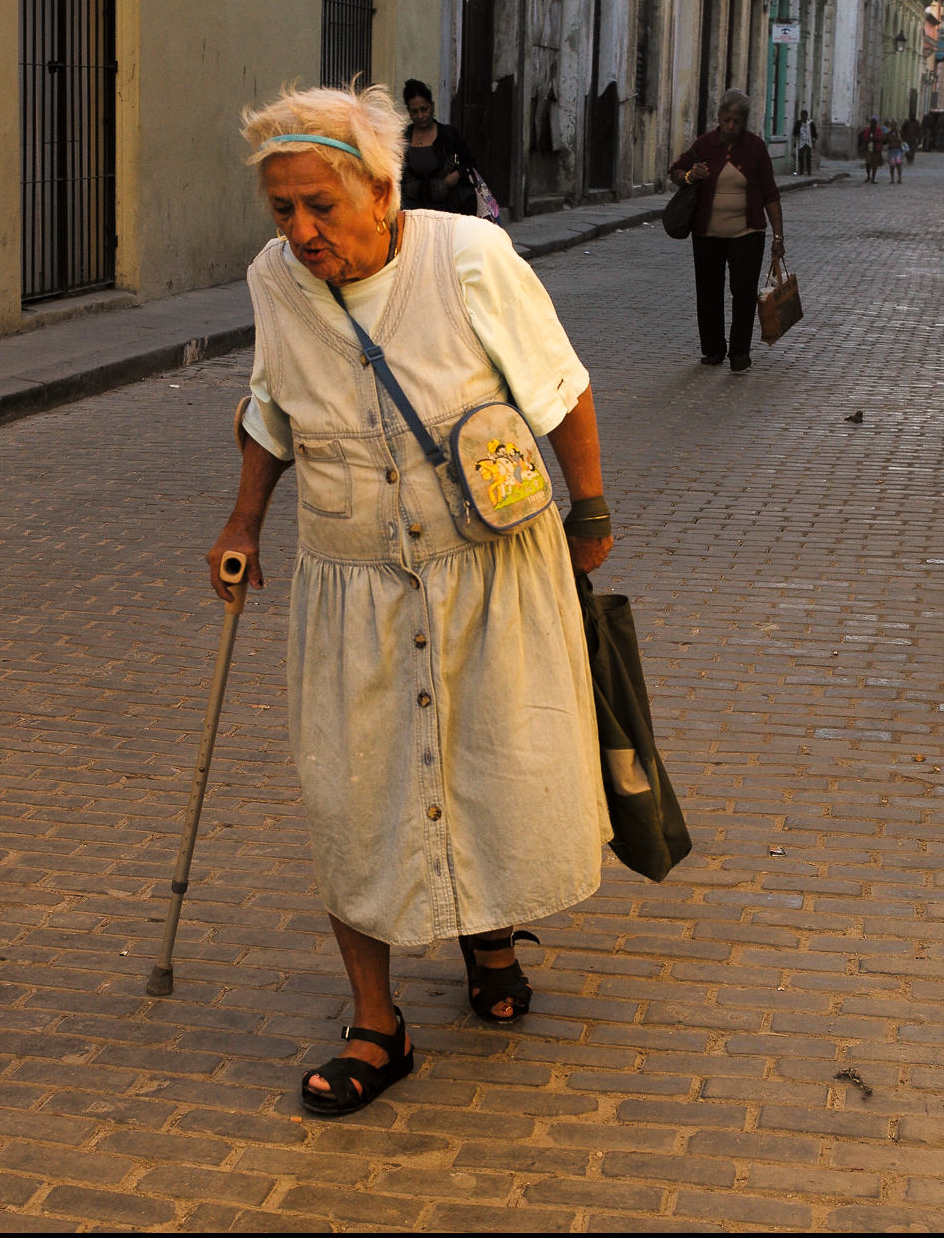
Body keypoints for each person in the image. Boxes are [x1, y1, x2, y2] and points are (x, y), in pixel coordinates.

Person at [209, 82, 615, 1117]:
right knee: (354, 791)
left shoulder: (468, 257)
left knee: (484, 753)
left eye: (321, 208)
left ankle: (485, 930)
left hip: (487, 557)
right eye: (282, 211)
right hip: (352, 578)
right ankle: (376, 1023)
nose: (301, 232)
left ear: (384, 189)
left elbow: (561, 388)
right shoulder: (274, 279)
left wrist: (592, 512)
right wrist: (244, 523)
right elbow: (269, 404)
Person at [668, 87, 787, 372]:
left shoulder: (755, 148)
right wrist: (689, 175)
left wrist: (778, 236)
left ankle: (739, 353)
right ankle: (712, 350)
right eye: (726, 120)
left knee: (743, 293)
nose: (731, 126)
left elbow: (771, 195)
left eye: (737, 121)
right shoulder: (705, 145)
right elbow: (675, 171)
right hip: (706, 234)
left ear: (744, 122)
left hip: (747, 234)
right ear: (719, 118)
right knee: (708, 292)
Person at [398, 78, 478, 214]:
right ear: (409, 112)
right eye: (414, 112)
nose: (420, 116)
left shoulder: (449, 135)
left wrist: (456, 175)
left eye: (424, 109)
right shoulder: (402, 139)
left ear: (432, 106)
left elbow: (470, 162)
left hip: (448, 213)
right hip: (412, 214)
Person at [861, 115, 886, 184]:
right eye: (872, 122)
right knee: (868, 163)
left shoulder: (879, 130)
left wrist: (874, 139)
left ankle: (873, 177)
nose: (873, 124)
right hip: (869, 149)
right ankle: (868, 176)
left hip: (876, 149)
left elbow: (880, 138)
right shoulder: (867, 130)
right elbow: (864, 137)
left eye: (874, 122)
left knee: (875, 164)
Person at [792, 107, 815, 175]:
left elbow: (814, 132)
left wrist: (814, 139)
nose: (804, 117)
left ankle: (809, 171)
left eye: (805, 116)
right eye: (802, 116)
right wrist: (796, 139)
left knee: (808, 157)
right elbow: (795, 132)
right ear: (801, 116)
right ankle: (801, 171)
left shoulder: (810, 123)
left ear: (807, 116)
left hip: (808, 142)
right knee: (801, 157)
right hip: (801, 142)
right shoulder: (798, 123)